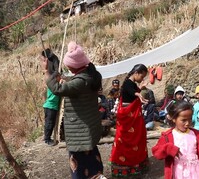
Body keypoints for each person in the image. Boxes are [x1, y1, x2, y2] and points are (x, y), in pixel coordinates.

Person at [46, 41, 104, 179]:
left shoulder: (80, 82)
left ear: (74, 66)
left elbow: (57, 89)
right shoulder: (90, 76)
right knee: (91, 158)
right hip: (87, 128)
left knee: (79, 164)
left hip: (80, 130)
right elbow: (74, 82)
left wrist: (51, 74)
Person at [152, 101, 199, 179]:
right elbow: (156, 152)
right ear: (173, 119)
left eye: (190, 119)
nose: (187, 123)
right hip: (178, 173)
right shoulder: (167, 136)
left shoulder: (197, 135)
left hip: (195, 173)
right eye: (183, 120)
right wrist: (168, 148)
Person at [109, 64, 149, 177]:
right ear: (136, 73)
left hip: (131, 116)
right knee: (126, 138)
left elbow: (132, 92)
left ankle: (136, 162)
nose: (142, 79)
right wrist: (138, 94)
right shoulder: (127, 83)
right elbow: (132, 92)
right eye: (142, 76)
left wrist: (140, 88)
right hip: (127, 116)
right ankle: (125, 164)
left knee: (137, 136)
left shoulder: (131, 84)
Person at [40, 49, 61, 146]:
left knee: (49, 123)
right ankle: (47, 139)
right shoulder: (54, 85)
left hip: (51, 106)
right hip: (50, 106)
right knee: (49, 123)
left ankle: (46, 137)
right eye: (58, 77)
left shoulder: (54, 83)